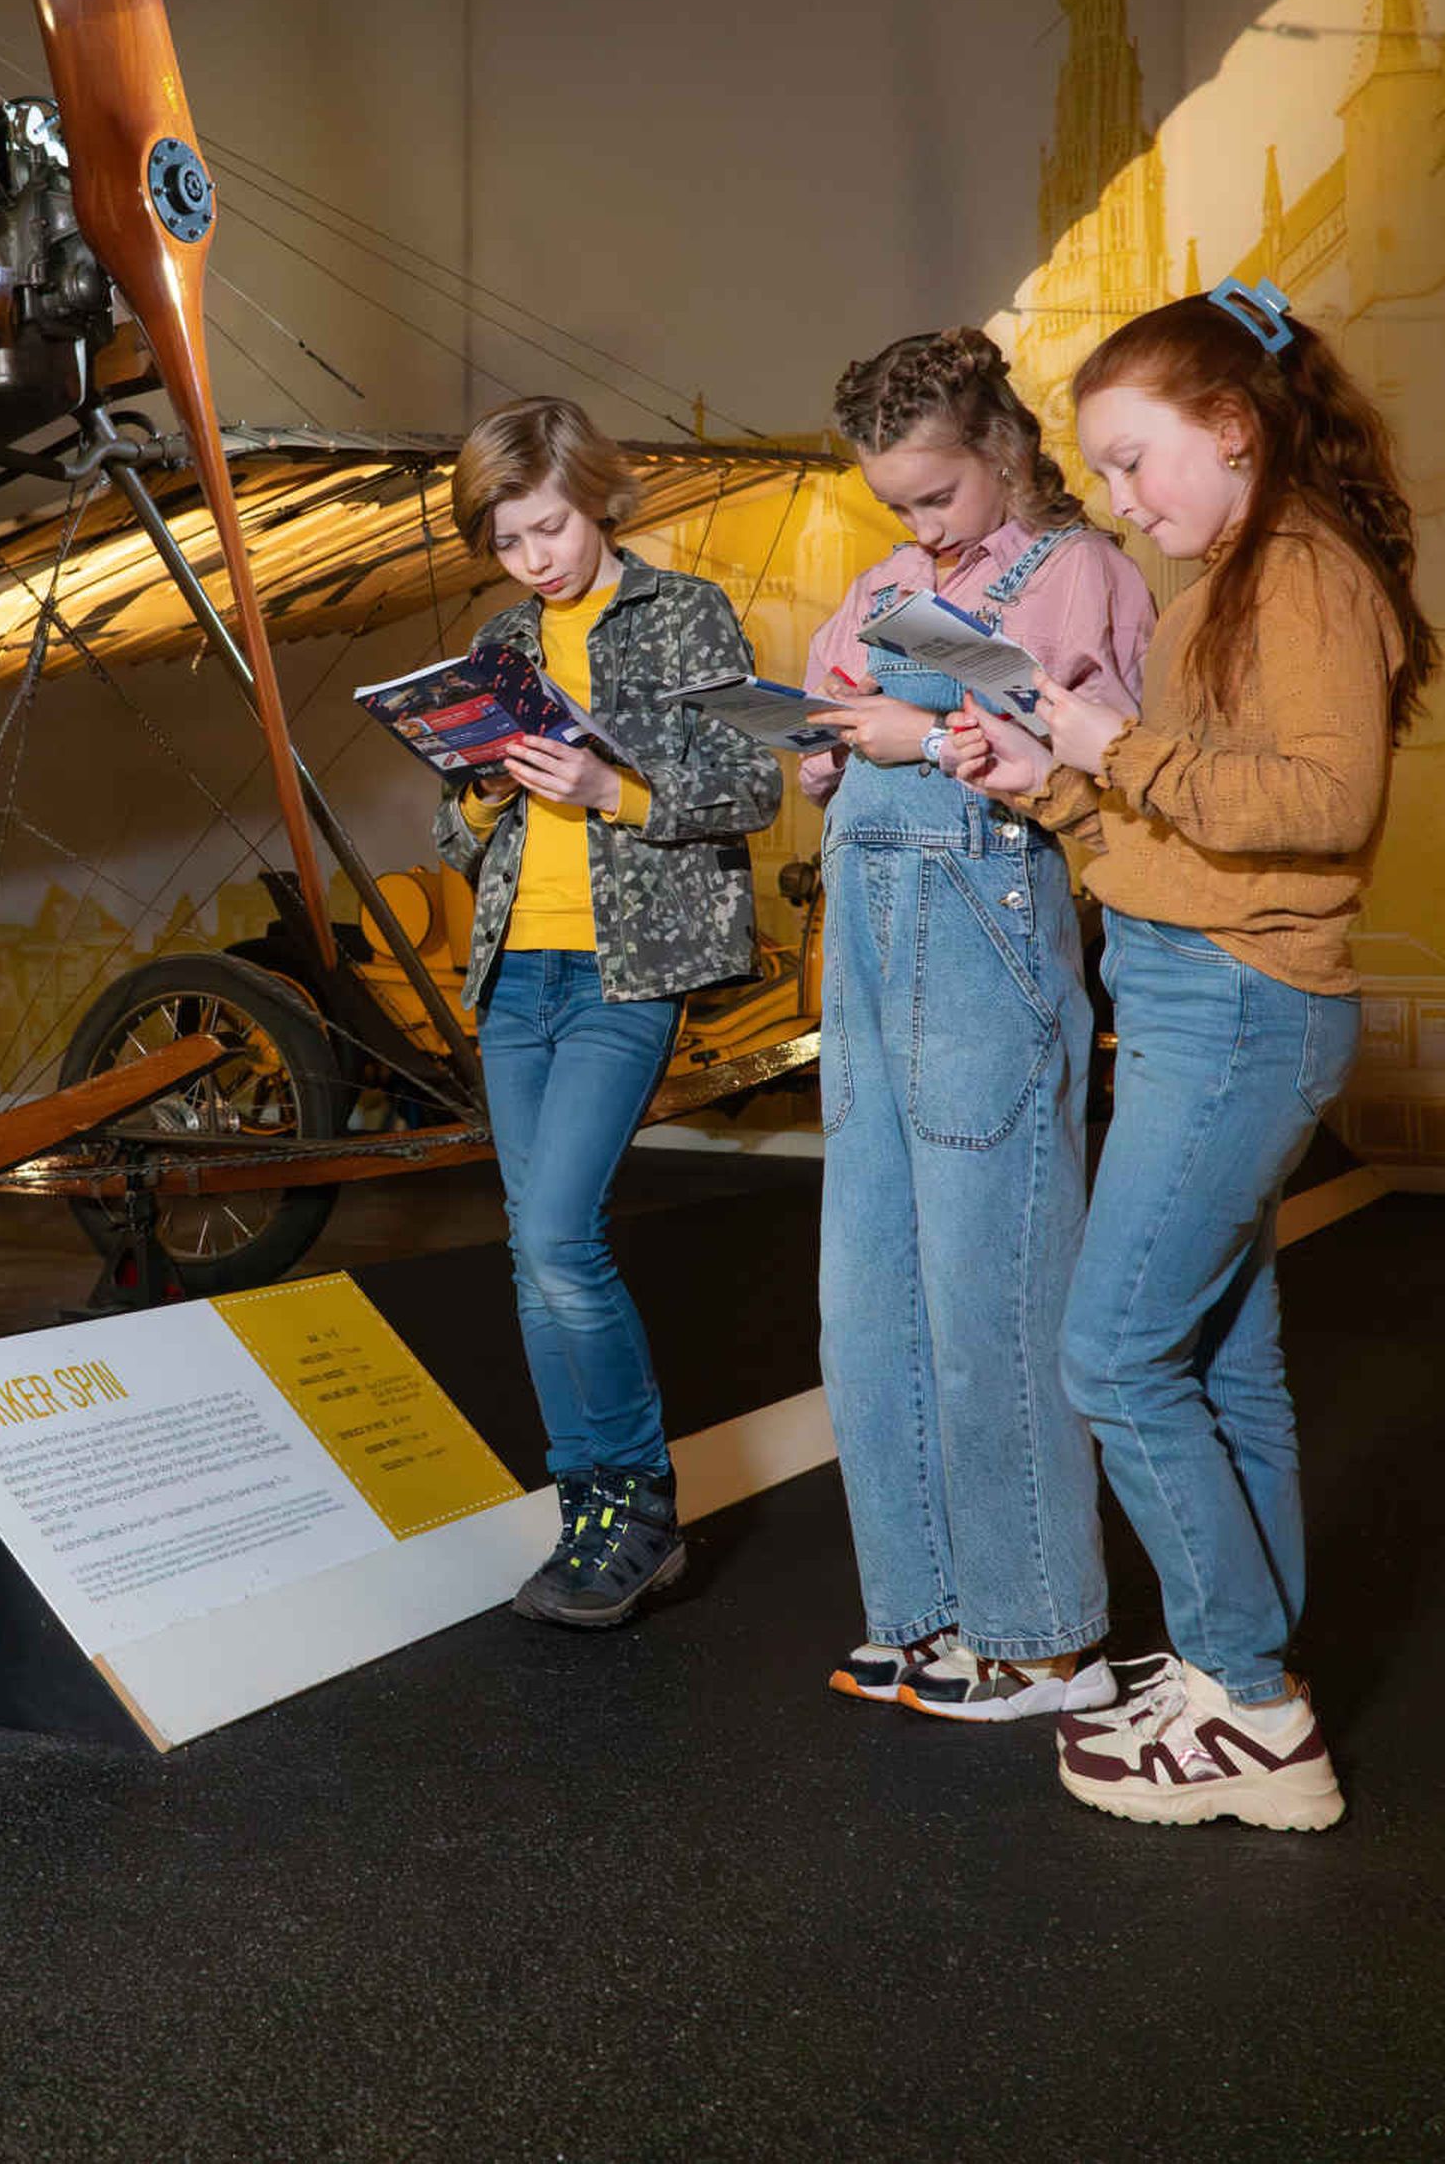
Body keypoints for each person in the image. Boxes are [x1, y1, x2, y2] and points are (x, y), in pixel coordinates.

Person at [941, 280, 1439, 1831]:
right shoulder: (1235, 577)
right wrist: (1047, 776)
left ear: (1235, 433)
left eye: (1137, 458)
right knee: (1219, 1353)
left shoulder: (1296, 569)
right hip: (1191, 985)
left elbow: (1318, 805)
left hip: (1235, 1007)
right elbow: (1184, 833)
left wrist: (1105, 749)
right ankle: (1244, 1664)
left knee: (1113, 1353)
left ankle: (1256, 1714)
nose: (1120, 497)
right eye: (1100, 471)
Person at [798, 329, 1155, 1723]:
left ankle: (1041, 1631)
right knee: (866, 1292)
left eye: (937, 494)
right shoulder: (885, 584)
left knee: (988, 1288)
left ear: (1003, 449)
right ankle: (922, 1603)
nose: (917, 525)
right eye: (896, 501)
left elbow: (1104, 761)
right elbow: (838, 718)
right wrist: (827, 737)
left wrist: (933, 733)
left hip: (987, 921)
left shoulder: (1084, 572)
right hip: (871, 942)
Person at [434, 396, 782, 1629]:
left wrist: (610, 787)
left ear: (595, 496)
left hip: (625, 969)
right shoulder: (501, 640)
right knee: (536, 1256)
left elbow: (753, 781)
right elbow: (453, 827)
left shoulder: (682, 612)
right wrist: (478, 799)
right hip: (511, 974)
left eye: (549, 529)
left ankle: (636, 1502)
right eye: (510, 542)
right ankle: (590, 1506)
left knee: (562, 1233)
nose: (534, 560)